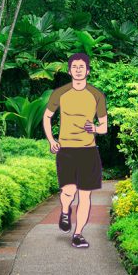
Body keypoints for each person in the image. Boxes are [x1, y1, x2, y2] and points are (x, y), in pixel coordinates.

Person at [42, 53, 108, 248]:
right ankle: (65, 211)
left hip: (88, 151)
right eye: (74, 67)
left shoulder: (96, 95)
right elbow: (47, 117)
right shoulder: (60, 93)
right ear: (70, 71)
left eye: (82, 67)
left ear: (87, 71)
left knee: (85, 195)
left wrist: (94, 129)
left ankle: (78, 234)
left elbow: (104, 126)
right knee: (69, 191)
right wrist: (51, 140)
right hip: (67, 150)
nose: (78, 70)